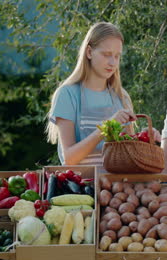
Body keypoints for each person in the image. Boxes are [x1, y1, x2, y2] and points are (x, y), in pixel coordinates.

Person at [46, 22, 136, 167]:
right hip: (81, 186)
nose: (112, 62)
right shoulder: (67, 94)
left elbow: (131, 156)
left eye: (117, 56)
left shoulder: (122, 96)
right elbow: (69, 158)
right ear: (89, 52)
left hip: (117, 187)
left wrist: (148, 139)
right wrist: (107, 128)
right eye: (106, 54)